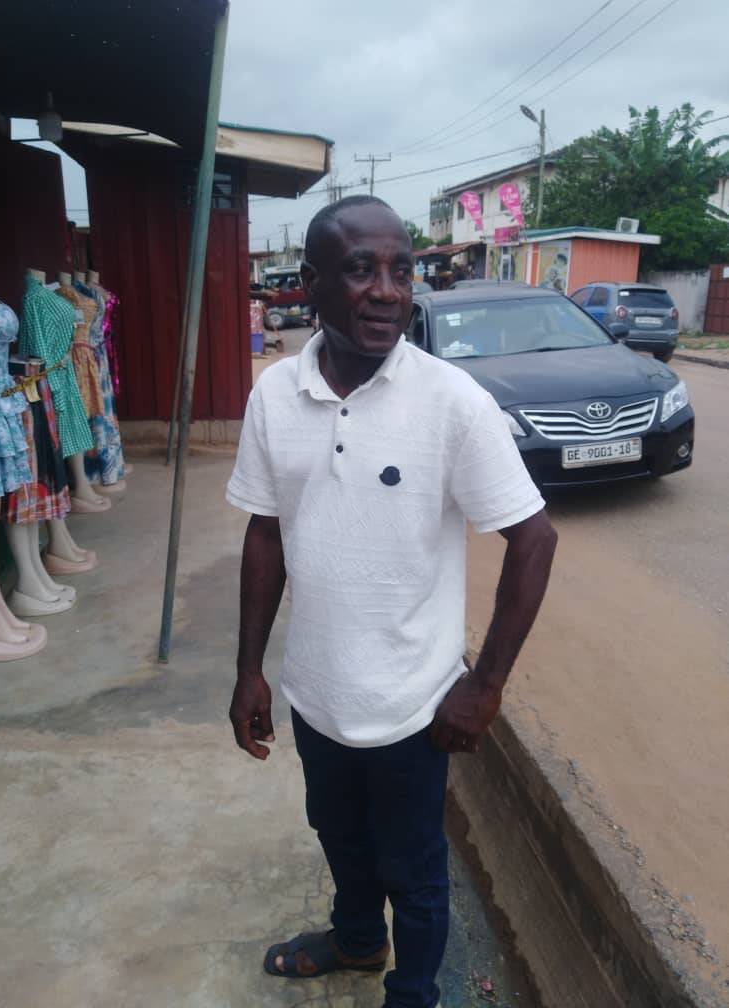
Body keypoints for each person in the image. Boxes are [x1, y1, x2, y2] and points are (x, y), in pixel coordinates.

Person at [226, 195, 557, 1008]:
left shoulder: (451, 401)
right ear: (310, 284)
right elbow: (266, 532)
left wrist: (485, 685)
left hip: (414, 707)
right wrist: (249, 671)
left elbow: (534, 539)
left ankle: (413, 994)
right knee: (339, 837)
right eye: (360, 269)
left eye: (401, 270)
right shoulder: (275, 395)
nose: (387, 290)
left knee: (415, 872)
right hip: (317, 694)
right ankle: (356, 941)